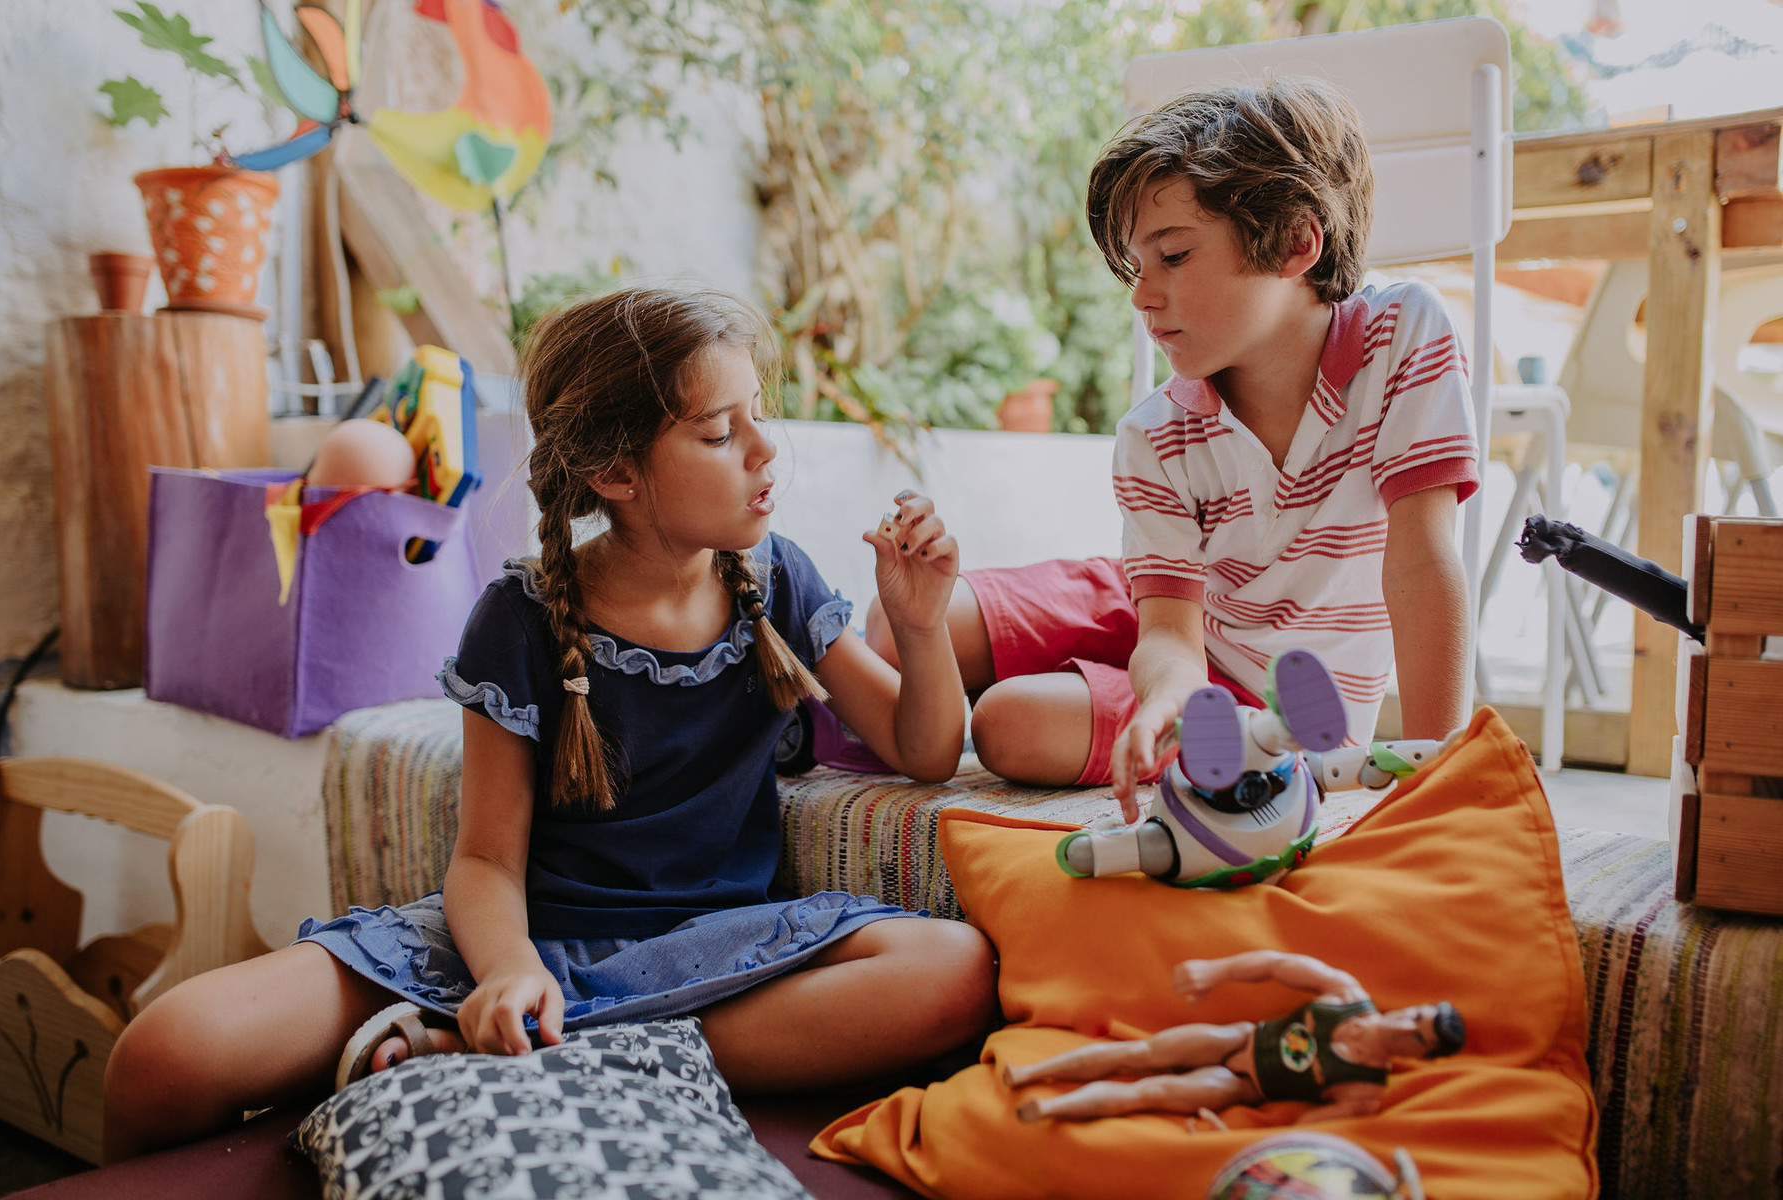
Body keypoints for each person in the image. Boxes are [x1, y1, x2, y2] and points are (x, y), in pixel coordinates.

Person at [102, 287, 997, 1160]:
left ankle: (546, 1054)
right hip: (510, 944)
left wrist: (919, 626)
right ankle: (534, 1037)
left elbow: (921, 750)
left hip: (713, 955)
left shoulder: (776, 581)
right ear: (615, 472)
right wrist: (505, 973)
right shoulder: (520, 615)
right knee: (163, 1055)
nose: (766, 450)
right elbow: (487, 858)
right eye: (722, 433)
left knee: (952, 972)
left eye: (757, 416)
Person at [865, 78, 1477, 820]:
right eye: (1135, 265)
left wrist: (1442, 775)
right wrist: (1166, 692)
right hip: (1169, 614)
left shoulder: (1404, 334)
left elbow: (1420, 563)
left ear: (1295, 242)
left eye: (1174, 255)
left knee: (1006, 723)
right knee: (889, 629)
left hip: (1269, 701)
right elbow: (1168, 630)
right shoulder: (1155, 431)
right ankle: (829, 720)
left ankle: (1153, 714)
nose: (1141, 294)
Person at [1003, 950, 1464, 1124]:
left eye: (1418, 1036)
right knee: (1139, 1052)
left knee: (1151, 1091)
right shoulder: (1348, 994)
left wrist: (1229, 1138)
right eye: (1417, 1016)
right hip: (1236, 1038)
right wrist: (1215, 971)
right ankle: (1032, 1072)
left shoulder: (1363, 1091)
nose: (1406, 1025)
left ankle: (1051, 1108)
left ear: (1421, 1056)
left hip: (1243, 1087)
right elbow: (1276, 964)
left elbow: (1299, 1136)